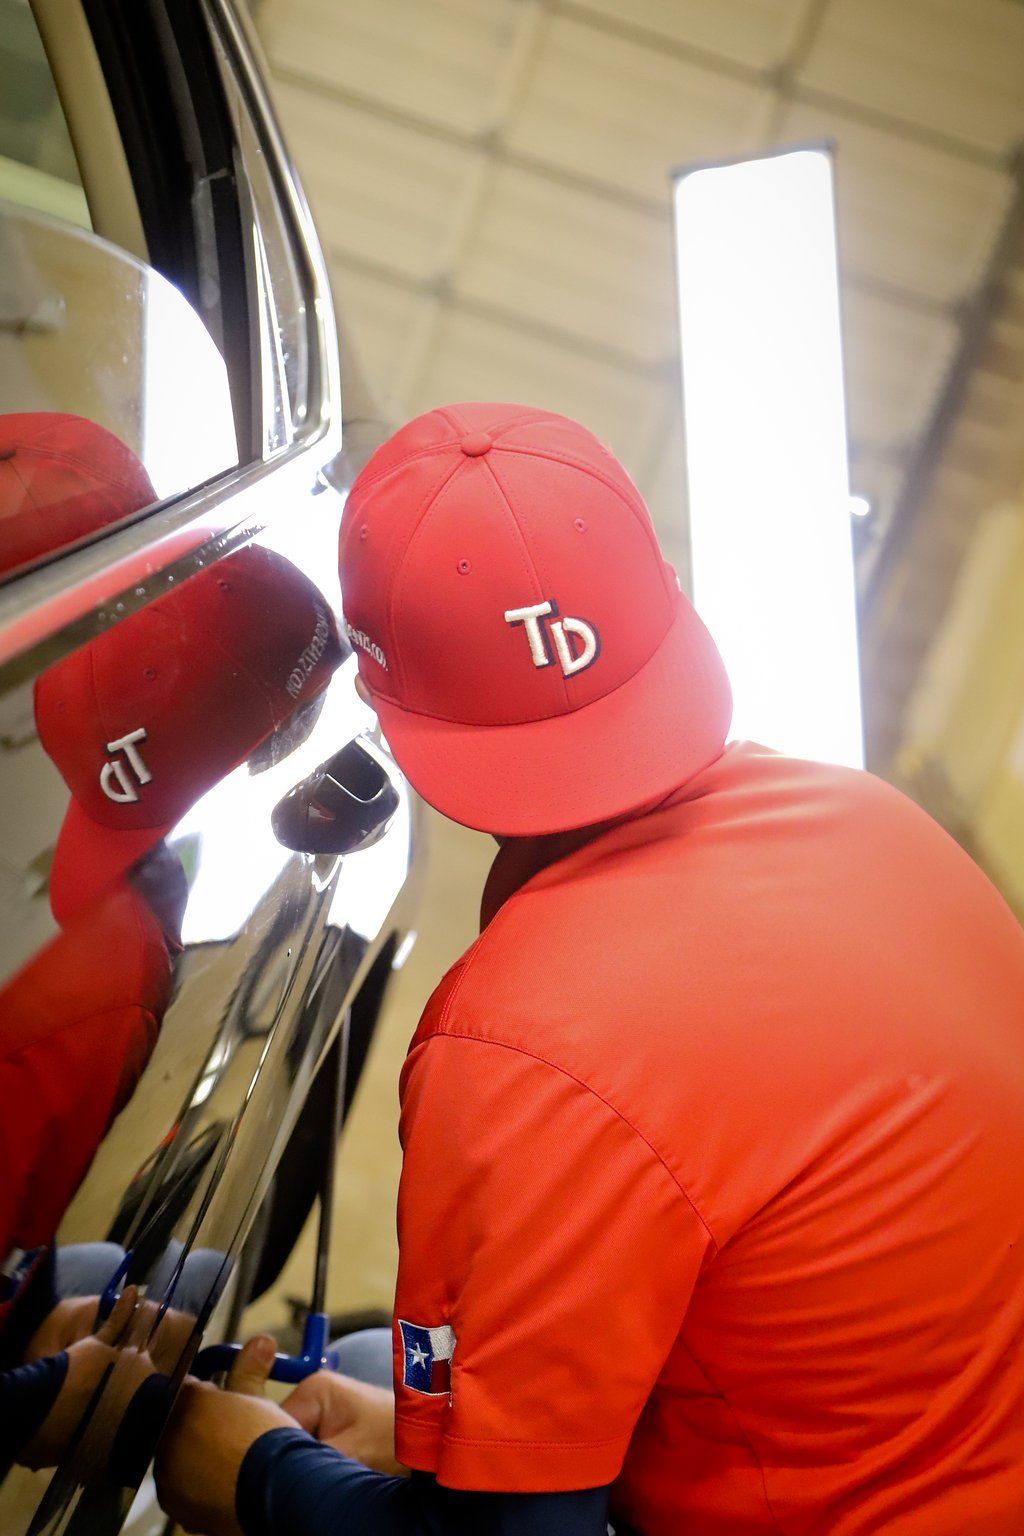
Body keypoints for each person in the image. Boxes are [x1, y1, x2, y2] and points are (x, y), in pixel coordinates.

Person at [155, 403, 1024, 1536]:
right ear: (660, 600)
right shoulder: (874, 823)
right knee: (384, 1365)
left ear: (380, 702)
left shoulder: (521, 1047)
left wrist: (253, 1476)